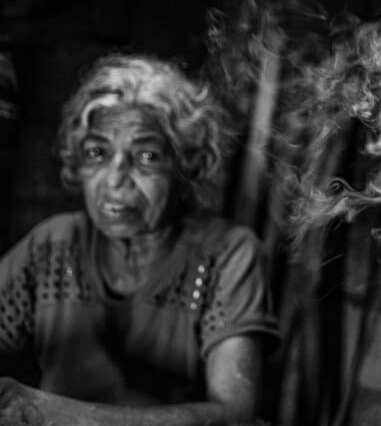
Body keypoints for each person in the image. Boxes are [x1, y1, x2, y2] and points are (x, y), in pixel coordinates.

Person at [0, 55, 279, 425]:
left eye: (146, 156)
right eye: (97, 152)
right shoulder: (52, 246)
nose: (115, 179)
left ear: (184, 166)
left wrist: (37, 410)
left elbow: (234, 415)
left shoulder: (227, 254)